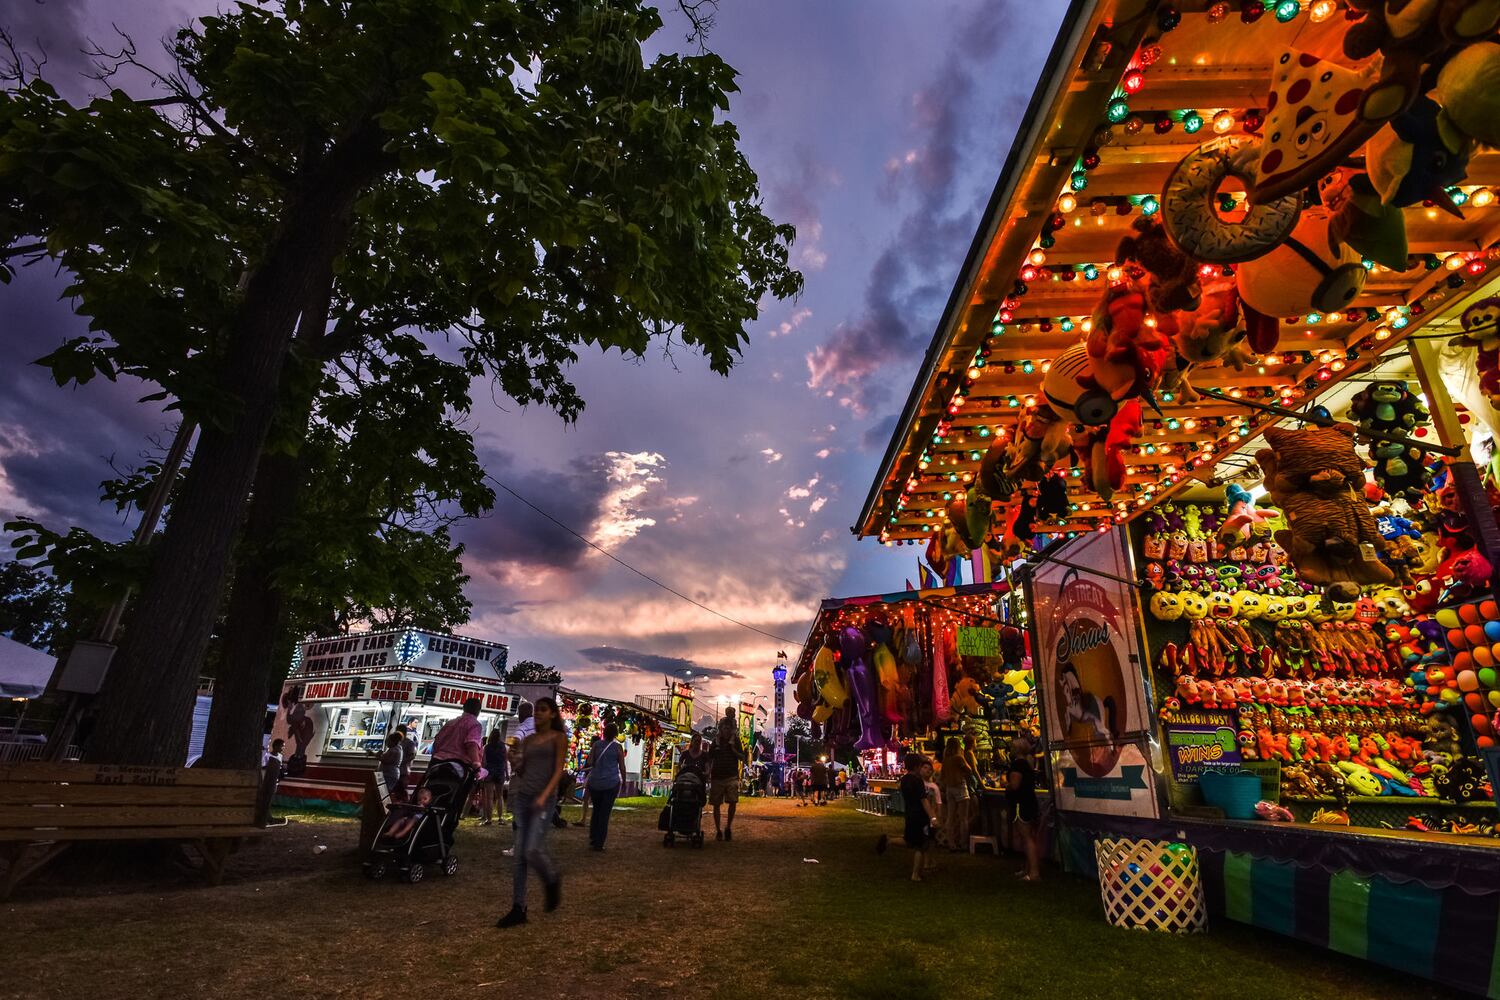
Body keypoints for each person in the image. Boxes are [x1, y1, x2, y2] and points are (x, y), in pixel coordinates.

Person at [497, 696, 566, 928]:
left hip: (543, 800)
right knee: (519, 857)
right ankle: (518, 907)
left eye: (543, 710)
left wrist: (546, 797)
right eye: (536, 710)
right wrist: (514, 760)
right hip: (524, 797)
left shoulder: (558, 738)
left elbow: (558, 771)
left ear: (553, 714)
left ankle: (551, 879)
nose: (538, 713)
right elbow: (523, 769)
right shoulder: (530, 740)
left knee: (531, 850)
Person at [584, 722, 627, 850]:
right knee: (605, 813)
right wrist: (624, 781)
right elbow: (622, 766)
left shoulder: (596, 745)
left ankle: (593, 838)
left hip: (595, 782)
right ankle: (599, 842)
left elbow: (590, 761)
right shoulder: (618, 748)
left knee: (596, 810)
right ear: (615, 734)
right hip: (611, 782)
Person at [1007, 736, 1042, 882]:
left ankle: (1034, 872)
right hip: (1030, 802)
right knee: (1030, 837)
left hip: (1021, 804)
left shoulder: (1017, 765)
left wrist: (1006, 785)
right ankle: (1029, 869)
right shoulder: (1027, 763)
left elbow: (1015, 785)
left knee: (1027, 838)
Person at [898, 754, 937, 882]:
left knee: (909, 840)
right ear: (917, 766)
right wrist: (932, 817)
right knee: (920, 846)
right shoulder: (917, 781)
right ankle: (915, 874)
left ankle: (888, 841)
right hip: (920, 816)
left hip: (909, 813)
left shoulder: (904, 780)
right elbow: (924, 801)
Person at [709, 718, 746, 841]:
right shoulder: (716, 741)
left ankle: (728, 827)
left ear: (732, 729)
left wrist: (733, 749)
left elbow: (742, 757)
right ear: (721, 728)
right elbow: (710, 755)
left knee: (732, 802)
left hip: (731, 776)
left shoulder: (735, 741)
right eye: (724, 727)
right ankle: (718, 829)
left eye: (728, 728)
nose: (726, 730)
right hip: (717, 776)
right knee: (716, 804)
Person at [940, 737, 974, 851]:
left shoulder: (946, 759)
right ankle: (963, 843)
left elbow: (942, 775)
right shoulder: (959, 758)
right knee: (963, 818)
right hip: (960, 786)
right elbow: (969, 770)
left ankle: (951, 843)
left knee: (950, 817)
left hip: (950, 788)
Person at [430, 697, 485, 769]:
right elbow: (471, 744)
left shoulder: (450, 723)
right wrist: (476, 763)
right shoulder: (475, 724)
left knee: (426, 779)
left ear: (464, 708)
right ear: (478, 711)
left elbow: (436, 742)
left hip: (437, 761)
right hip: (459, 765)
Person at [481, 729, 509, 825]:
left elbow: (483, 762)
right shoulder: (503, 747)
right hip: (500, 772)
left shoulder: (486, 747)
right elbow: (505, 761)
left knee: (489, 797)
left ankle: (489, 819)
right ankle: (500, 818)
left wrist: (482, 773)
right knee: (500, 796)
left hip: (489, 772)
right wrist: (507, 773)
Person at [257, 738, 285, 827]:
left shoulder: (280, 756)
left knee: (270, 797)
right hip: (267, 780)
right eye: (281, 746)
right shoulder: (267, 756)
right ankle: (264, 816)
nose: (282, 748)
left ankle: (268, 815)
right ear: (275, 746)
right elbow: (263, 767)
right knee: (265, 797)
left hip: (275, 780)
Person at [377, 733, 404, 800]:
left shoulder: (395, 750)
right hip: (389, 773)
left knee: (385, 793)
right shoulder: (395, 749)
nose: (387, 743)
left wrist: (378, 756)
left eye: (388, 741)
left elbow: (386, 761)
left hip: (389, 774)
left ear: (393, 741)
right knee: (384, 792)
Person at [396, 724, 416, 796]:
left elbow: (412, 756)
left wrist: (401, 762)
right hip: (396, 771)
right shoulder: (396, 742)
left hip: (403, 771)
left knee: (401, 791)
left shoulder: (409, 743)